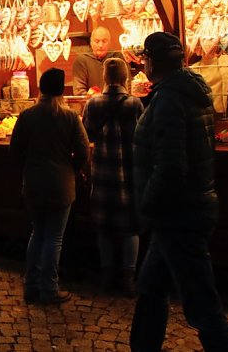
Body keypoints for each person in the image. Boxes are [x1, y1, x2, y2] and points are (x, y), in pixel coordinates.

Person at [129, 32, 228, 351]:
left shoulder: (169, 101)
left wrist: (147, 205)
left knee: (202, 304)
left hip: (179, 215)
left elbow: (171, 166)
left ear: (152, 62)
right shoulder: (188, 92)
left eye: (145, 59)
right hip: (183, 212)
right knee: (150, 290)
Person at [10, 68, 89, 305]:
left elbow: (15, 150)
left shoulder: (27, 116)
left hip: (33, 182)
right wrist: (72, 168)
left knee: (37, 233)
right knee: (54, 237)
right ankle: (49, 288)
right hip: (61, 184)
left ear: (41, 87)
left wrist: (28, 166)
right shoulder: (69, 117)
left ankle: (31, 285)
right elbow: (83, 151)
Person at [82, 58, 144, 295]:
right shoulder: (134, 104)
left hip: (103, 169)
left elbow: (86, 133)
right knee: (130, 226)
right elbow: (144, 135)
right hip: (130, 168)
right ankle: (128, 277)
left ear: (105, 78)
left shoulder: (93, 103)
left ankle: (107, 275)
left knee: (104, 225)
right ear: (125, 77)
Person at [72, 26, 124, 95]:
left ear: (110, 42)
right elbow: (79, 91)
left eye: (104, 41)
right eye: (97, 41)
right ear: (91, 42)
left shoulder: (118, 58)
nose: (100, 45)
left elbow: (127, 85)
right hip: (91, 104)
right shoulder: (81, 61)